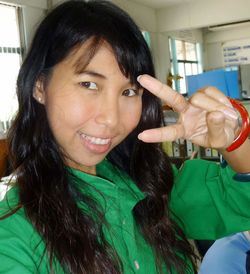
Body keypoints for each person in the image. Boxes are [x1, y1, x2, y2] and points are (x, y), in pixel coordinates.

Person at [0, 0, 250, 273]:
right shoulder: (14, 235)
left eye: (129, 92)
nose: (111, 118)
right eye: (89, 84)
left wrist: (233, 140)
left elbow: (238, 200)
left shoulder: (149, 184)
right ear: (40, 86)